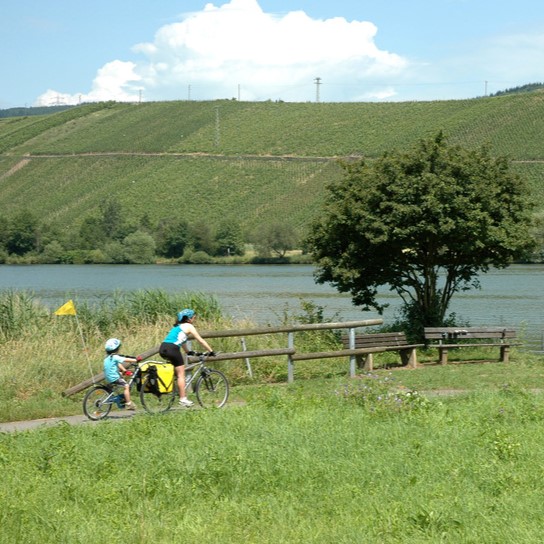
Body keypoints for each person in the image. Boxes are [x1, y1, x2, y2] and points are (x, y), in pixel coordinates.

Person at [159, 308, 214, 407]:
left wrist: (188, 352)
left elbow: (181, 341)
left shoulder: (177, 327)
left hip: (163, 348)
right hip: (173, 349)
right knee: (181, 375)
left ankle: (173, 390)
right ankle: (183, 399)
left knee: (176, 372)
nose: (194, 319)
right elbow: (200, 340)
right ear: (188, 319)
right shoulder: (189, 326)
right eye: (193, 318)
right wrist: (211, 351)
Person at [103, 338, 138, 410]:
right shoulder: (115, 356)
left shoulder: (108, 357)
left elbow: (118, 364)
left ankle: (117, 399)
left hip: (108, 377)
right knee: (126, 386)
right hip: (114, 377)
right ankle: (129, 404)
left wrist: (124, 370)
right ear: (116, 349)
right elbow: (125, 360)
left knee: (120, 379)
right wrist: (136, 360)